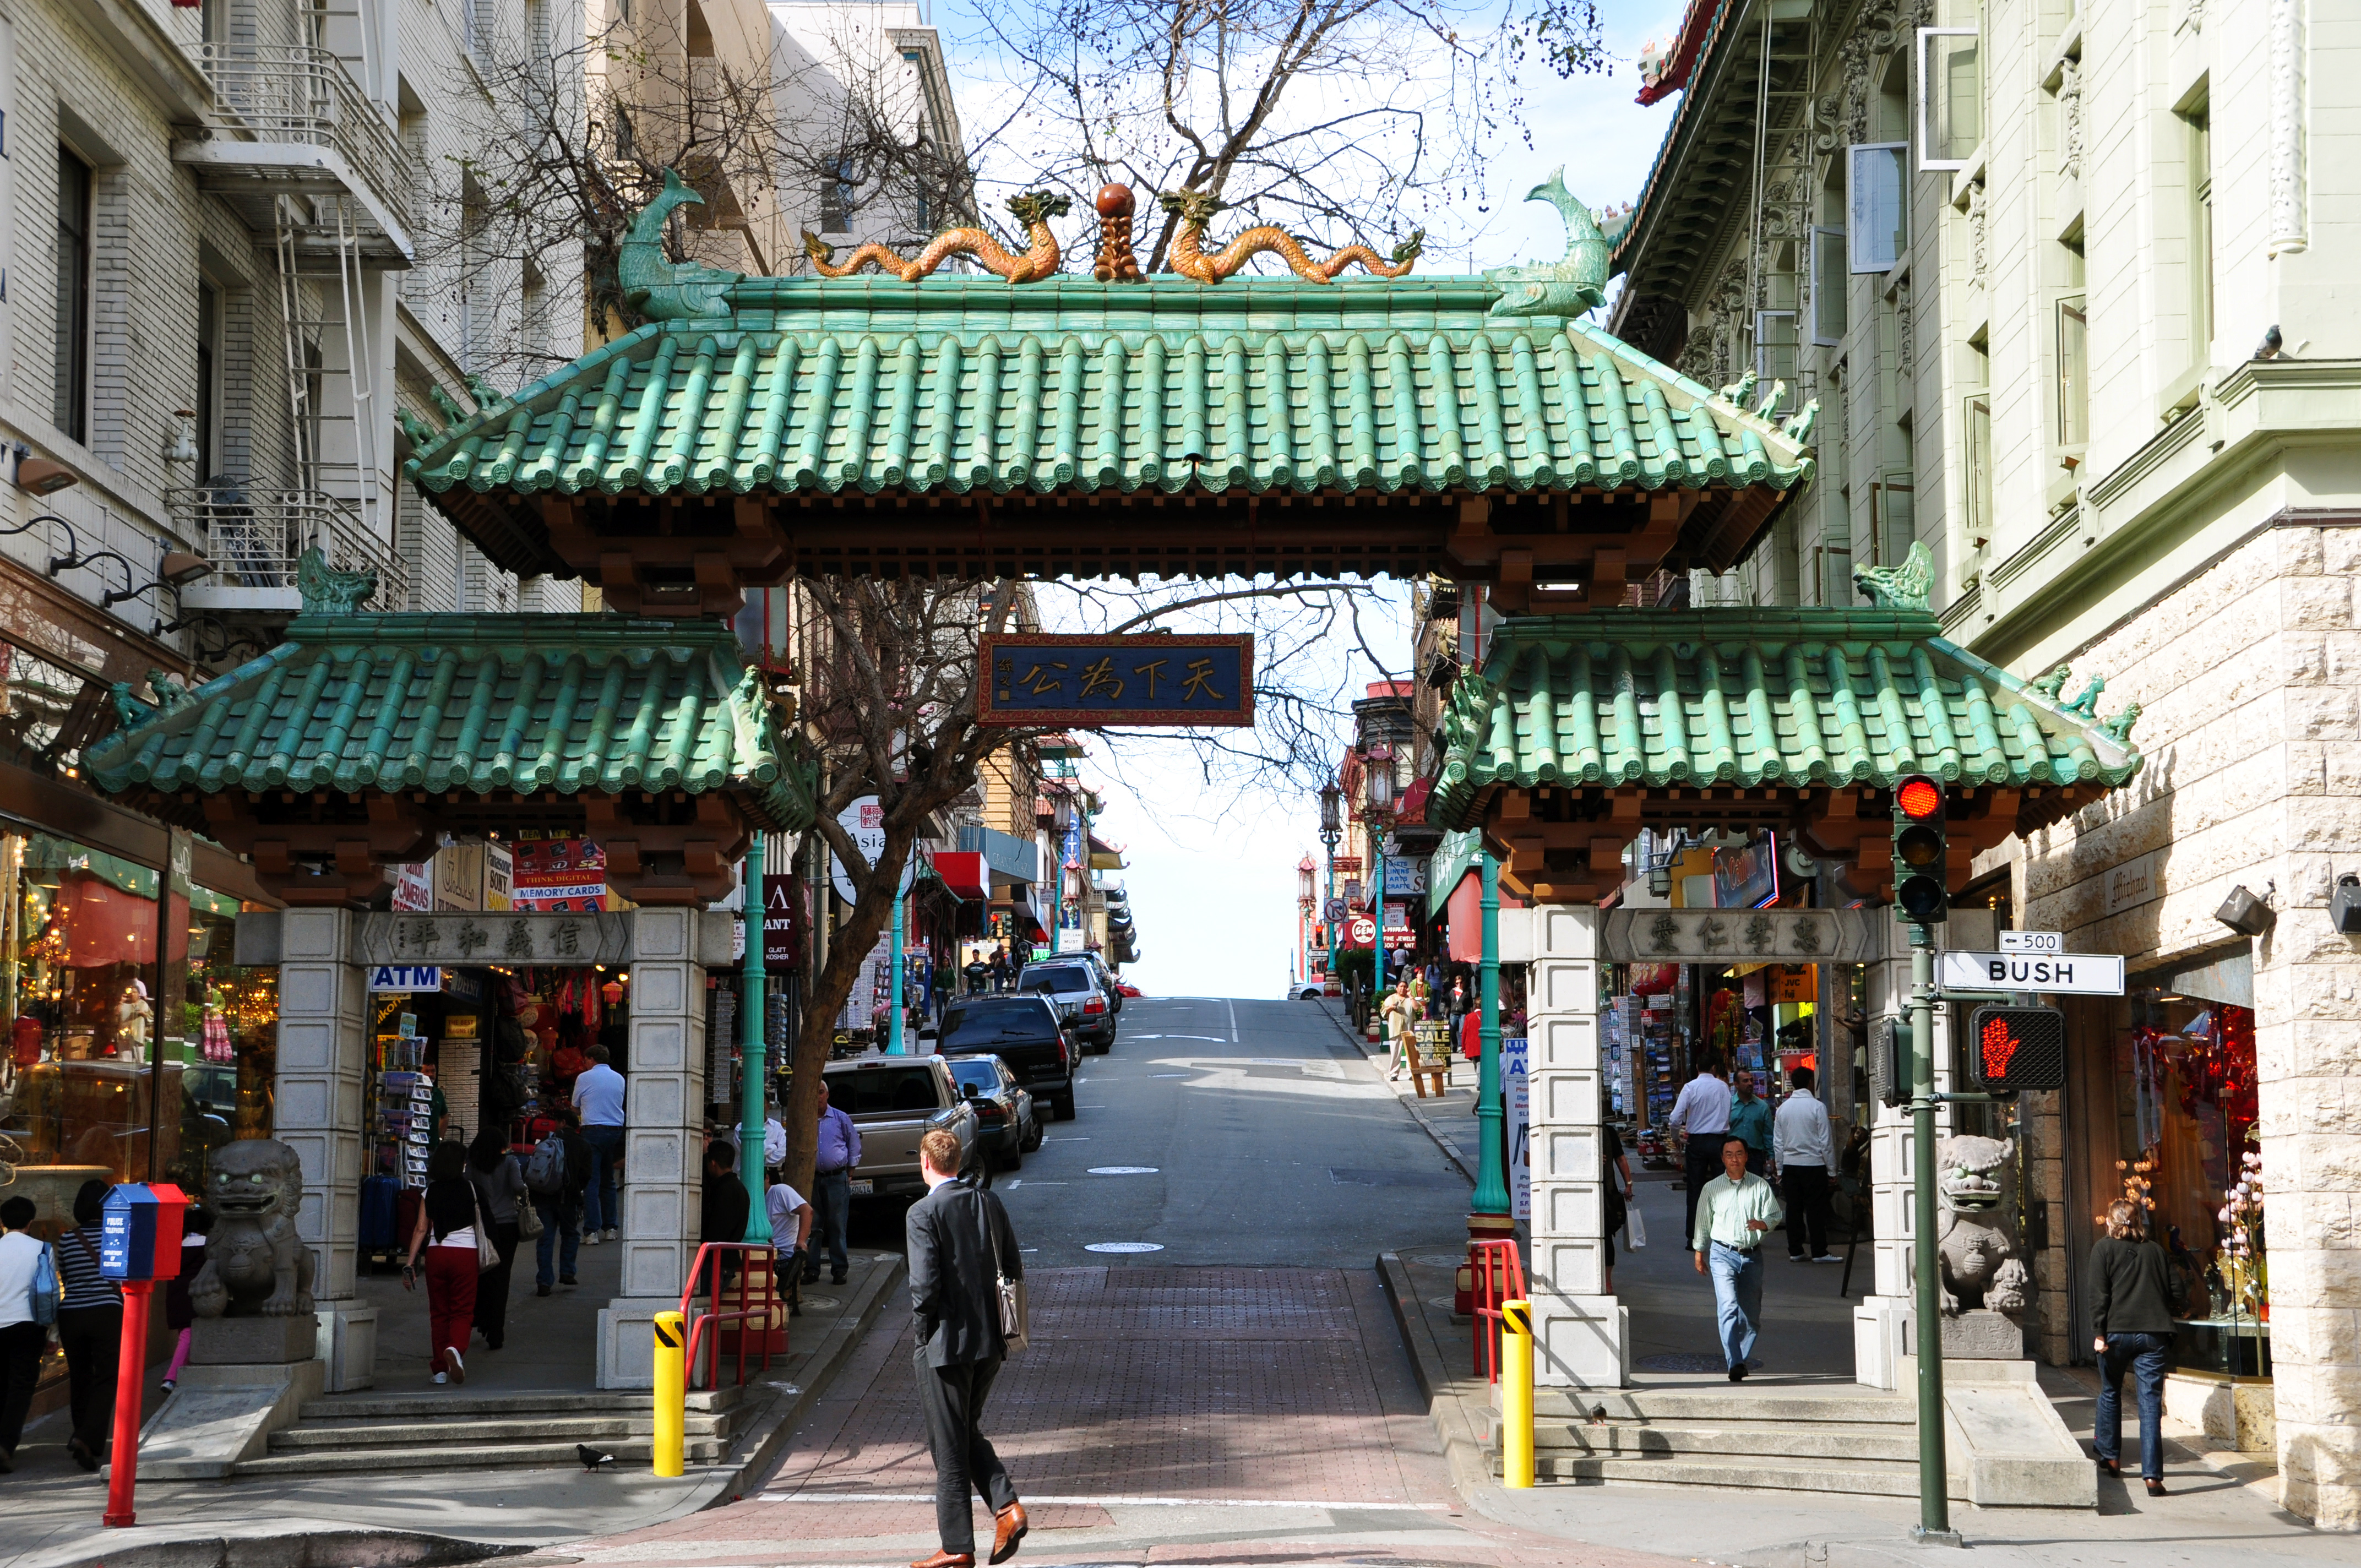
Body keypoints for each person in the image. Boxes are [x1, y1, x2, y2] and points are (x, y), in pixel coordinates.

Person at [905, 1128, 1027, 1568]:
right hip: (991, 1341)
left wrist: (922, 1332)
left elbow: (924, 1286)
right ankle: (1006, 1507)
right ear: (959, 1161)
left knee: (948, 1443)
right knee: (962, 1433)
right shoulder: (989, 1202)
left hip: (945, 1344)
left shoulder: (923, 1212)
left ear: (925, 1163)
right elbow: (1012, 1265)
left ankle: (958, 1545)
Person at [2089, 1199, 2181, 1496]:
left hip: (2116, 1332)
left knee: (2110, 1391)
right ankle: (2153, 1477)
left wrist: (2098, 1332)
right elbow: (2178, 1290)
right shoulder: (2156, 1250)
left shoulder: (2103, 1248)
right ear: (2138, 1221)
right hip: (2154, 1334)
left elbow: (2098, 1294)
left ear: (2109, 1222)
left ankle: (2110, 1455)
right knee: (2150, 1403)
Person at [1691, 1134, 1784, 1381]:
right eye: (1729, 1155)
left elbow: (1775, 1214)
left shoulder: (1760, 1186)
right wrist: (1700, 1252)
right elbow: (1702, 1223)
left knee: (1751, 1317)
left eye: (1739, 1154)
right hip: (1723, 1254)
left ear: (1747, 1157)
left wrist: (1763, 1224)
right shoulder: (1711, 1188)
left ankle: (1740, 1358)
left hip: (1752, 1257)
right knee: (1729, 1306)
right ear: (1722, 1159)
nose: (1734, 1159)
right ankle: (1734, 1363)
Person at [53, 1179, 123, 1469]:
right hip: (107, 1310)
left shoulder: (68, 1239)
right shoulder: (117, 1235)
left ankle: (79, 1433)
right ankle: (87, 1438)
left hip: (71, 1313)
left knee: (80, 1376)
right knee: (106, 1377)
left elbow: (65, 1277)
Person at [405, 1141, 482, 1384]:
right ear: (461, 1164)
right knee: (462, 1311)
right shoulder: (471, 1189)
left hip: (437, 1254)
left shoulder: (430, 1191)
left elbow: (420, 1229)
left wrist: (409, 1263)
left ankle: (439, 1371)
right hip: (465, 1255)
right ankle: (456, 1349)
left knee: (439, 1313)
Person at [0, 1195, 48, 1473]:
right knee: (20, 1388)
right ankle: (5, 1445)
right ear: (31, 1222)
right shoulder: (42, 1248)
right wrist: (52, 1334)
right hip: (28, 1325)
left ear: (2, 1222)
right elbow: (49, 1293)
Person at [468, 1128, 527, 1351]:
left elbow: (468, 1187)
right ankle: (496, 1332)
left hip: (482, 1225)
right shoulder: (510, 1163)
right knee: (502, 1278)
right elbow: (518, 1187)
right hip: (507, 1225)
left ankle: (482, 1318)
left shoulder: (473, 1164)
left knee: (483, 1272)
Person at [1774, 1066, 1840, 1263]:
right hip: (1814, 1165)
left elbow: (1778, 1143)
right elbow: (1825, 1141)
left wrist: (1779, 1169)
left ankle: (1795, 1249)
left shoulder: (1783, 1109)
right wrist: (1832, 1169)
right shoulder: (1817, 1107)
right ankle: (1819, 1251)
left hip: (1791, 1165)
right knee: (1815, 1209)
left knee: (1794, 1208)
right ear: (1810, 1082)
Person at [531, 1106, 594, 1295]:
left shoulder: (548, 1141)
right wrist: (576, 1189)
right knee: (570, 1234)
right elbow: (586, 1175)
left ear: (563, 1123)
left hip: (544, 1196)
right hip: (568, 1198)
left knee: (545, 1239)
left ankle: (544, 1281)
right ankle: (567, 1272)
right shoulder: (583, 1144)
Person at [1669, 1059, 1733, 1242]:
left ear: (1697, 1068)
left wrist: (1676, 1137)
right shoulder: (1723, 1088)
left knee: (1695, 1189)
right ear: (1713, 1068)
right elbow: (1729, 1112)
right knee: (1722, 1188)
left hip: (1696, 1142)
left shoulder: (1691, 1087)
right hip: (1719, 1141)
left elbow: (1675, 1118)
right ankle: (1724, 1235)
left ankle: (1694, 1237)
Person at [808, 1080, 862, 1286]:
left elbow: (854, 1145)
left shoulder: (840, 1118)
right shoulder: (807, 1119)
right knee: (813, 1225)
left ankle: (839, 1269)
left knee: (837, 1225)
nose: (818, 1097)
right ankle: (811, 1269)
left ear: (827, 1095)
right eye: (815, 1093)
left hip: (836, 1179)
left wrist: (850, 1172)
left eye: (821, 1092)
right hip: (813, 1179)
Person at [574, 1044, 628, 1243]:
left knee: (591, 1181)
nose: (585, 1063)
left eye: (586, 1060)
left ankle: (591, 1231)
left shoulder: (584, 1078)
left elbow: (575, 1106)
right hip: (614, 1131)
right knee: (609, 1180)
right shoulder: (619, 1078)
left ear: (592, 1060)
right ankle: (611, 1227)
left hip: (592, 1131)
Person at [161, 1205, 215, 1390]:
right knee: (188, 1336)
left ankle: (184, 1372)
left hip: (175, 1294)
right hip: (197, 1294)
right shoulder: (209, 1245)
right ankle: (172, 1377)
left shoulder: (176, 1244)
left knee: (184, 1335)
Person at [1601, 1121, 1634, 1294]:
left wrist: (1628, 1184)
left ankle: (1607, 1283)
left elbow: (1620, 1158)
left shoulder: (1607, 1131)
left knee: (1606, 1237)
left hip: (1607, 1193)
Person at [1728, 1071, 1775, 1179]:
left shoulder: (1762, 1107)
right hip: (1732, 1155)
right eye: (1745, 1081)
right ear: (1736, 1084)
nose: (1750, 1083)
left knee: (1754, 1190)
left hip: (1755, 1156)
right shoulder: (1728, 1105)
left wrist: (1771, 1158)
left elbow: (1768, 1134)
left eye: (1751, 1080)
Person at [1379, 977, 1415, 1081]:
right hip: (1395, 1029)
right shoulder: (1391, 999)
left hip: (1408, 1029)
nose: (1403, 989)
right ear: (1397, 988)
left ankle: (1411, 1073)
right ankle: (1394, 1074)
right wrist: (1390, 1008)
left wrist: (1411, 996)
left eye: (1405, 987)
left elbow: (1417, 1008)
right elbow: (1383, 1012)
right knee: (1395, 1053)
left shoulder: (1409, 999)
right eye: (1401, 987)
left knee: (1410, 1052)